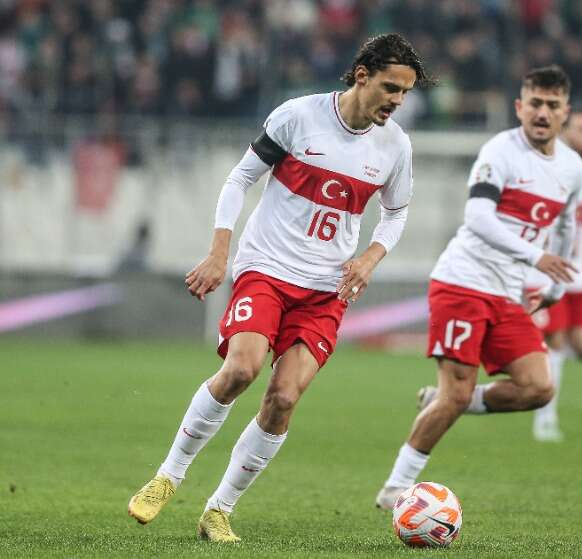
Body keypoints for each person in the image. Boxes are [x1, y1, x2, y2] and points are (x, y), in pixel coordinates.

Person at [128, 33, 432, 542]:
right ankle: (168, 476)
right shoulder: (298, 116)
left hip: (326, 288)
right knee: (240, 370)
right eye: (391, 88)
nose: (397, 101)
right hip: (267, 268)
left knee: (284, 398)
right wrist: (219, 252)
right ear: (362, 76)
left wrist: (370, 257)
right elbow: (239, 179)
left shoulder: (395, 145)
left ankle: (219, 510)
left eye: (404, 92)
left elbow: (396, 214)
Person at [375, 65, 582, 509]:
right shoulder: (501, 151)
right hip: (462, 283)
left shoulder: (571, 167)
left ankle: (450, 400)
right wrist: (537, 258)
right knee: (454, 394)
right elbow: (478, 217)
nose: (542, 113)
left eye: (552, 105)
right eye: (535, 103)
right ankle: (395, 486)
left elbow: (566, 224)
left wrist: (554, 286)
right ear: (519, 107)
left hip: (507, 293)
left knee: (538, 388)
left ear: (564, 112)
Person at [525, 108, 582, 442]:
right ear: (566, 131)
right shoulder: (550, 166)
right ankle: (545, 418)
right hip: (547, 273)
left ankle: (542, 366)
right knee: (556, 342)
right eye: (580, 129)